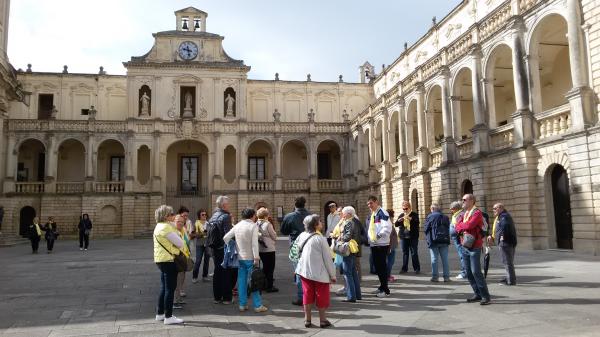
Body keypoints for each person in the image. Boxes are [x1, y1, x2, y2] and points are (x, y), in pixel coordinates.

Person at [224, 208, 269, 313]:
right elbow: (254, 243)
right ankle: (257, 305)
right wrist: (256, 257)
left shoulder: (238, 225)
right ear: (252, 215)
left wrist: (234, 246)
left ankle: (242, 304)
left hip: (240, 258)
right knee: (255, 281)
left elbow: (226, 238)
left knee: (242, 282)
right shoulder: (253, 226)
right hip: (250, 258)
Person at [295, 214, 336, 328]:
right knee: (321, 295)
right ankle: (322, 320)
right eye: (320, 221)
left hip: (304, 271)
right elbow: (328, 259)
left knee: (307, 294)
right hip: (319, 273)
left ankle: (307, 319)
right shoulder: (320, 239)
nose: (322, 223)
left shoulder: (302, 235)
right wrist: (332, 275)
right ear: (316, 225)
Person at [455, 194, 491, 305]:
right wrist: (462, 225)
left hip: (475, 245)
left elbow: (469, 226)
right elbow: (456, 226)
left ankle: (485, 296)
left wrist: (462, 225)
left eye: (464, 200)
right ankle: (477, 293)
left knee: (476, 271)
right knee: (468, 272)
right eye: (462, 199)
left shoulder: (477, 213)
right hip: (464, 244)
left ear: (472, 201)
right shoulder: (463, 213)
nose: (462, 201)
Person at [153, 205, 185, 325]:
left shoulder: (159, 226)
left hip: (161, 259)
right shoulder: (166, 227)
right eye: (171, 214)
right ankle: (168, 316)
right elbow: (180, 243)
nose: (174, 215)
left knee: (164, 287)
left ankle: (160, 314)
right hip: (169, 260)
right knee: (170, 289)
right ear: (166, 216)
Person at [280, 196, 311, 306]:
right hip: (310, 245)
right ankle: (311, 295)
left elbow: (283, 231)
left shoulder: (290, 216)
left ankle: (301, 297)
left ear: (295, 204)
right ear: (304, 203)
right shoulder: (311, 215)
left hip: (296, 245)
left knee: (299, 271)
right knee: (311, 270)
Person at [366, 195, 392, 298]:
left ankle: (385, 290)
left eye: (371, 203)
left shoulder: (382, 212)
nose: (369, 206)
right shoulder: (374, 213)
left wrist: (378, 236)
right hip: (375, 244)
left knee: (382, 268)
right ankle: (382, 287)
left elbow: (387, 227)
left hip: (381, 244)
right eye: (368, 204)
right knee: (378, 267)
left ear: (376, 202)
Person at [210, 195, 234, 304]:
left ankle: (217, 297)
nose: (229, 206)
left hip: (214, 248)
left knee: (217, 271)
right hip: (223, 248)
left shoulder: (213, 216)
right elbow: (228, 235)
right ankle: (227, 298)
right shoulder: (225, 216)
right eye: (228, 204)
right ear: (224, 205)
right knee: (226, 272)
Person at [489, 203, 517, 286]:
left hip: (505, 243)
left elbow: (505, 226)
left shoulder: (503, 216)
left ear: (499, 208)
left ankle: (510, 280)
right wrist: (493, 236)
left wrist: (502, 237)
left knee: (507, 262)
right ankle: (509, 277)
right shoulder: (502, 216)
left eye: (494, 208)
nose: (493, 210)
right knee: (508, 261)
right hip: (507, 242)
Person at [339, 206, 362, 302]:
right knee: (353, 273)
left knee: (347, 273)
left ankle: (351, 296)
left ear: (349, 214)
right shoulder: (355, 221)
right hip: (354, 249)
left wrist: (340, 237)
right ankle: (357, 295)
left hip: (348, 249)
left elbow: (347, 236)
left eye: (344, 213)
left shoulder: (349, 222)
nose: (342, 215)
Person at [424, 203, 451, 282]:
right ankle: (446, 277)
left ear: (432, 209)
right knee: (445, 259)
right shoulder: (445, 217)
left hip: (433, 240)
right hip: (444, 240)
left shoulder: (430, 216)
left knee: (434, 259)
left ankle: (435, 277)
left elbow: (426, 228)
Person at [257, 207, 278, 292]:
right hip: (269, 249)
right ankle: (269, 286)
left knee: (265, 267)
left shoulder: (256, 223)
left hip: (260, 248)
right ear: (266, 215)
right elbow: (274, 236)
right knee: (270, 268)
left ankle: (263, 284)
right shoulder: (267, 224)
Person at [396, 201, 421, 274]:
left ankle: (416, 268)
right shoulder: (401, 215)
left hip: (413, 237)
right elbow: (396, 224)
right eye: (403, 209)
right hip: (404, 237)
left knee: (414, 253)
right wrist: (398, 220)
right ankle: (404, 268)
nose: (404, 210)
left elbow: (417, 222)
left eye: (406, 208)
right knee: (405, 253)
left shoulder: (414, 214)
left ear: (409, 208)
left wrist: (411, 219)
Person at [173, 214, 191, 308]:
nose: (180, 223)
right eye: (178, 221)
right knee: (177, 279)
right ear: (174, 222)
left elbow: (187, 242)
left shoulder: (183, 230)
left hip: (184, 256)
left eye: (182, 222)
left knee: (182, 278)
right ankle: (175, 301)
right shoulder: (173, 232)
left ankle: (179, 298)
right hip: (177, 258)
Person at [191, 209, 210, 283]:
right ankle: (194, 277)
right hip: (199, 244)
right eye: (202, 214)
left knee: (207, 261)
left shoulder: (208, 224)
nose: (204, 216)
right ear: (199, 216)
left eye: (205, 214)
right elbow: (192, 235)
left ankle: (205, 276)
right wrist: (202, 234)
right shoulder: (196, 224)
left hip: (207, 244)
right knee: (198, 261)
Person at [449, 201, 466, 280]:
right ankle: (465, 272)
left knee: (462, 255)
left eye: (452, 209)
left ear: (455, 209)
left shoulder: (460, 215)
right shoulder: (457, 214)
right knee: (462, 255)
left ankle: (464, 273)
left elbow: (460, 227)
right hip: (457, 238)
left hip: (459, 238)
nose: (451, 210)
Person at [387, 209, 398, 282]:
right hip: (390, 246)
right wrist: (390, 247)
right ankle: (387, 276)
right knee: (390, 261)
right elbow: (390, 236)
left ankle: (388, 275)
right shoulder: (388, 224)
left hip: (391, 245)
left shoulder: (389, 223)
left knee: (390, 261)